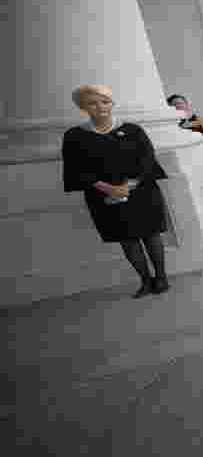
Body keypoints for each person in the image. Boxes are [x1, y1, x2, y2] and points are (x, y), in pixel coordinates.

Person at [62, 84, 171, 297]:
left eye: (105, 102)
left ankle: (161, 277)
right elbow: (76, 169)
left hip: (141, 192)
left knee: (151, 235)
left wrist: (126, 187)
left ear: (112, 104)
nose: (100, 107)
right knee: (127, 239)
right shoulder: (75, 136)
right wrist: (108, 188)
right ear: (83, 107)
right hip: (103, 196)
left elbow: (147, 160)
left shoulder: (133, 130)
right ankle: (145, 281)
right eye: (92, 103)